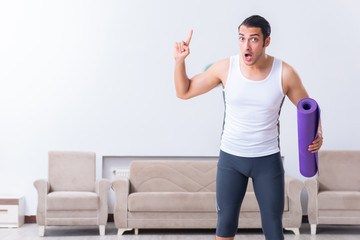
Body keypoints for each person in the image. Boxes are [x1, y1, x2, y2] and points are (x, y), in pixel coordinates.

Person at [174, 15, 323, 240]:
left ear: (266, 41)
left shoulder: (284, 73)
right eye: (242, 38)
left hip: (267, 160)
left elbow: (308, 106)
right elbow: (184, 92)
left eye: (253, 39)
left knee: (274, 229)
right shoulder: (225, 68)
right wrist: (179, 61)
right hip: (231, 159)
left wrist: (318, 132)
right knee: (225, 226)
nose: (246, 45)